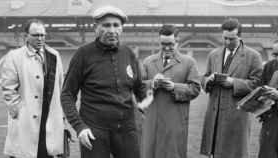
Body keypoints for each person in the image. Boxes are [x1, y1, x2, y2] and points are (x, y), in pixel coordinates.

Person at [61, 6, 146, 158]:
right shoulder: (83, 55)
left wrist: (148, 104)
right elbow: (67, 95)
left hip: (126, 128)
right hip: (94, 129)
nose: (112, 30)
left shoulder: (128, 54)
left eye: (116, 25)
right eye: (106, 25)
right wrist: (79, 127)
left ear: (121, 29)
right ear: (96, 28)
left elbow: (139, 88)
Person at [1, 19, 65, 158]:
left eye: (42, 35)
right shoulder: (14, 56)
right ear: (26, 36)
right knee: (25, 153)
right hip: (26, 119)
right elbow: (8, 89)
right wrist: (17, 110)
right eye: (36, 35)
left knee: (47, 152)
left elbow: (60, 86)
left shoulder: (54, 55)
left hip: (49, 116)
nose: (40, 38)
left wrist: (61, 114)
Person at [200, 18, 263, 158]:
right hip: (214, 114)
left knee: (235, 153)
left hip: (237, 115)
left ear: (240, 36)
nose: (227, 42)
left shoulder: (253, 56)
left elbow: (257, 84)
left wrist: (234, 83)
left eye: (231, 39)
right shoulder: (213, 54)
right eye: (225, 38)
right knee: (215, 153)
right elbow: (204, 77)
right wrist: (208, 80)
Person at [141, 24, 201, 158]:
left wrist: (174, 87)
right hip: (152, 119)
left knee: (173, 153)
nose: (167, 47)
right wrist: (152, 84)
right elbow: (137, 87)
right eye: (163, 44)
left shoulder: (189, 62)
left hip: (175, 120)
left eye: (170, 44)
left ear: (178, 41)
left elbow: (196, 88)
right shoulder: (148, 62)